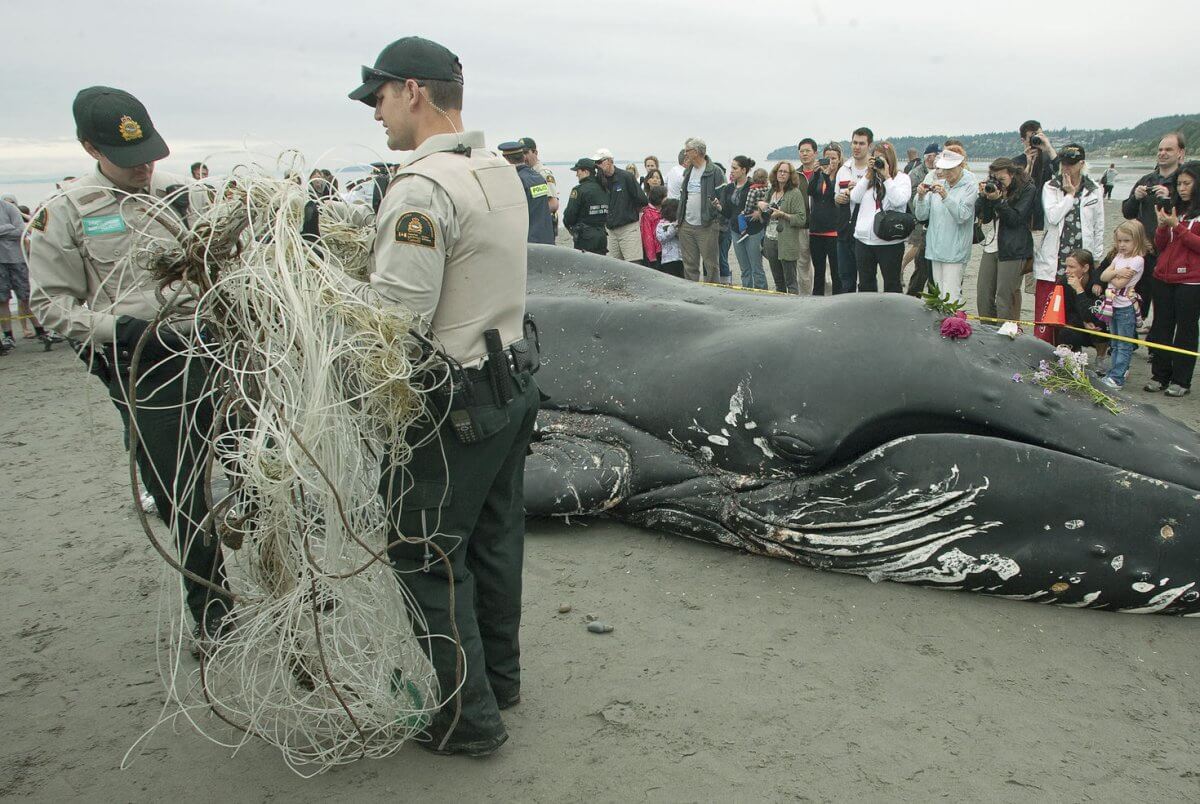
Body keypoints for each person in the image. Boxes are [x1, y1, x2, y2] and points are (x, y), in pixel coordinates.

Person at [347, 35, 541, 756]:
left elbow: (394, 320)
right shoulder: (496, 169)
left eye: (380, 97)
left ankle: (468, 720)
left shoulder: (422, 189)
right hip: (513, 380)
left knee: (424, 551)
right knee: (494, 540)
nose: (376, 114)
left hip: (453, 400)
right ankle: (502, 680)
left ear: (413, 92)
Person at [26, 86, 231, 652]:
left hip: (213, 353)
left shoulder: (184, 197)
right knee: (180, 493)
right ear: (90, 147)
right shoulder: (65, 214)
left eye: (151, 153)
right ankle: (212, 607)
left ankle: (293, 582)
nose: (145, 167)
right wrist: (121, 330)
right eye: (130, 157)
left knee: (265, 473)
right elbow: (50, 305)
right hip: (145, 367)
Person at [1032, 144, 1104, 343]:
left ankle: (1070, 351)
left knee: (1074, 310)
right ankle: (1043, 348)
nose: (1066, 168)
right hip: (1055, 259)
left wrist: (1096, 258)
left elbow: (1099, 225)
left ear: (1081, 164)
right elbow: (1053, 216)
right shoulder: (1051, 187)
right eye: (1063, 163)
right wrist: (1070, 195)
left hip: (1081, 258)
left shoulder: (1094, 189)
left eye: (1071, 164)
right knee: (1047, 309)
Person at [1145, 160, 1200, 397]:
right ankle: (1160, 375)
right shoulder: (1176, 208)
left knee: (1186, 330)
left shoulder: (1192, 216)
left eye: (1187, 183)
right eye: (1179, 183)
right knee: (1161, 327)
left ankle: (1181, 380)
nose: (1182, 188)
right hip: (1163, 277)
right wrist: (1161, 227)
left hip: (1190, 280)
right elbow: (1161, 245)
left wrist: (1177, 226)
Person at [1123, 132, 1186, 326]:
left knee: (1165, 305)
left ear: (1180, 153)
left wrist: (1169, 198)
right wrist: (1136, 197)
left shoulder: (1185, 181)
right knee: (1137, 298)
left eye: (1168, 149)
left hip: (1173, 251)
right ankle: (1129, 341)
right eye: (1160, 150)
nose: (1163, 153)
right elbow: (1127, 211)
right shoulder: (1146, 180)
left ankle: (1157, 348)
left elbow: (1189, 212)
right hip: (1144, 251)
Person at [913, 145, 977, 304]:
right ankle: (941, 326)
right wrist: (920, 197)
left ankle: (953, 326)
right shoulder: (937, 181)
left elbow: (963, 215)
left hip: (955, 251)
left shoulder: (970, 185)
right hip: (935, 248)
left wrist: (945, 195)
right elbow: (921, 215)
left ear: (961, 166)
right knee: (937, 295)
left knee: (952, 294)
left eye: (950, 169)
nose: (946, 173)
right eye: (943, 169)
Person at [975, 157, 1036, 322]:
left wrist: (999, 201)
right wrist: (983, 197)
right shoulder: (994, 188)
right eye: (995, 179)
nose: (999, 182)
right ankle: (987, 330)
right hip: (992, 246)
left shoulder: (1027, 189)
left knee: (1005, 296)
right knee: (983, 294)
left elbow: (1015, 219)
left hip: (1013, 248)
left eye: (1002, 179)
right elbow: (985, 218)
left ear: (1013, 175)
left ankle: (1007, 333)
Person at [850, 141, 912, 293]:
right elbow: (854, 197)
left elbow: (899, 201)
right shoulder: (868, 179)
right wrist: (868, 175)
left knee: (892, 284)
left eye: (881, 158)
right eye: (875, 158)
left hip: (890, 241)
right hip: (864, 241)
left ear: (889, 159)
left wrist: (887, 177)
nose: (877, 161)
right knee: (865, 285)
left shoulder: (902, 179)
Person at [1, 198, 61, 350]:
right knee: (2, 300)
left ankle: (41, 330)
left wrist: (4, 229)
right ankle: (8, 336)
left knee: (27, 296)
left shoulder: (8, 208)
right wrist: (8, 228)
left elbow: (22, 230)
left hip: (17, 259)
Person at [1096, 221, 1150, 389]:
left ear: (1137, 240)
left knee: (1124, 343)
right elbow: (1103, 276)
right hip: (1113, 304)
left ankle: (1117, 377)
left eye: (1126, 241)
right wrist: (1117, 272)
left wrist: (1112, 275)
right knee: (1115, 342)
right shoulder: (1119, 257)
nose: (1122, 245)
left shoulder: (1137, 260)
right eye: (1119, 241)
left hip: (1125, 305)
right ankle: (1115, 371)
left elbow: (1119, 284)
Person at [676, 138, 724, 282]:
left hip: (707, 225)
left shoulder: (715, 171)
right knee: (689, 265)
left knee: (711, 265)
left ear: (696, 152)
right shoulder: (688, 171)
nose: (685, 154)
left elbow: (723, 198)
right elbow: (684, 196)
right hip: (686, 225)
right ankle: (692, 296)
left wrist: (713, 215)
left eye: (687, 151)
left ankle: (714, 295)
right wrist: (680, 220)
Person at [757, 161, 808, 294]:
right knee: (778, 282)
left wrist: (783, 214)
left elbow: (802, 219)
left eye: (786, 172)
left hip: (787, 242)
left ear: (791, 175)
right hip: (770, 240)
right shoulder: (771, 191)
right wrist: (761, 206)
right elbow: (765, 215)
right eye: (780, 171)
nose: (782, 174)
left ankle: (793, 309)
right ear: (775, 173)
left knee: (791, 282)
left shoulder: (795, 193)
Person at [834, 127, 873, 292]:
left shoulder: (873, 169)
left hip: (865, 230)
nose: (857, 147)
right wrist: (838, 198)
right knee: (845, 277)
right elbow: (835, 196)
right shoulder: (844, 169)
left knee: (866, 279)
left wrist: (859, 188)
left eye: (861, 143)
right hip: (844, 228)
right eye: (854, 143)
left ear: (869, 145)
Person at [594, 148, 647, 262]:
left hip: (628, 228)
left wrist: (627, 210)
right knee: (614, 267)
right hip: (611, 230)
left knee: (634, 265)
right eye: (596, 163)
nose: (597, 166)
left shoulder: (626, 177)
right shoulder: (599, 181)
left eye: (599, 162)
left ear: (609, 161)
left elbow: (642, 199)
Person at [808, 144, 847, 295]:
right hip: (816, 229)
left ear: (839, 160)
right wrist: (817, 173)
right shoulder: (818, 176)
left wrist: (826, 175)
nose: (830, 161)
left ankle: (838, 299)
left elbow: (833, 196)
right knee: (819, 271)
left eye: (833, 158)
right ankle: (817, 299)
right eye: (827, 158)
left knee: (837, 271)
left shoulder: (841, 176)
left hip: (833, 230)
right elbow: (810, 191)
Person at [721, 156, 765, 289]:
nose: (732, 171)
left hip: (753, 231)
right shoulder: (729, 188)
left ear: (744, 170)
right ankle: (747, 294)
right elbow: (728, 213)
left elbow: (766, 202)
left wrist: (760, 211)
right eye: (731, 168)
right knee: (744, 269)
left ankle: (763, 296)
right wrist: (718, 207)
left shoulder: (754, 186)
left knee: (756, 268)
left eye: (735, 168)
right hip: (735, 231)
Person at [499, 140, 555, 244]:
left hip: (526, 241)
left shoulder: (514, 180)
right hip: (546, 239)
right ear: (523, 157)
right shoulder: (538, 177)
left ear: (506, 160)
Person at [903, 143, 940, 296]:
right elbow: (911, 197)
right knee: (920, 258)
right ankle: (912, 293)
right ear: (929, 156)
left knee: (930, 268)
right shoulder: (917, 173)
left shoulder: (939, 173)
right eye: (936, 155)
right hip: (919, 220)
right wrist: (920, 215)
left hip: (936, 224)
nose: (938, 158)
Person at [1057, 249, 1107, 353]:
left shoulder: (1098, 284)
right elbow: (1065, 312)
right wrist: (1082, 323)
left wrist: (1079, 290)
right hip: (1079, 322)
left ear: (1085, 268)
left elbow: (1094, 315)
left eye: (1071, 267)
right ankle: (1072, 354)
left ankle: (1101, 356)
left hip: (1097, 323)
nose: (1066, 270)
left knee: (1100, 325)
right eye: (1066, 266)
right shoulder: (1064, 283)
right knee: (1066, 331)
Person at [563, 157, 608, 254]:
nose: (576, 175)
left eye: (578, 171)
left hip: (585, 238)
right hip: (601, 235)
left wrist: (569, 225)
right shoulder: (603, 188)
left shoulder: (579, 190)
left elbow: (569, 216)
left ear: (586, 172)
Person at [518, 137, 559, 231]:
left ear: (535, 153)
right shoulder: (525, 174)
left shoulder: (543, 173)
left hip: (541, 225)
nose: (523, 157)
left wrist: (532, 213)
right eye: (521, 153)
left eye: (526, 152)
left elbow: (553, 204)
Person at [655, 198, 684, 278]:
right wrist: (673, 228)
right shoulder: (661, 224)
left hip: (682, 257)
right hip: (669, 259)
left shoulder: (681, 222)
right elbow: (661, 238)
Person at [640, 185, 666, 270]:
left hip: (665, 249)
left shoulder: (664, 211)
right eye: (665, 196)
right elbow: (647, 237)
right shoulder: (648, 214)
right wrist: (651, 256)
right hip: (655, 252)